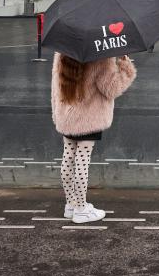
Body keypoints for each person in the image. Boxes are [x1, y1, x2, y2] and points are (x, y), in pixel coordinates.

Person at [51, 52, 136, 224]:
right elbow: (111, 89)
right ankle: (81, 210)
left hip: (67, 114)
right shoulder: (100, 56)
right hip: (89, 117)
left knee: (68, 156)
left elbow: (55, 86)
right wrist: (125, 65)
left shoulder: (62, 52)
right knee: (82, 160)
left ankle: (71, 204)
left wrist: (57, 113)